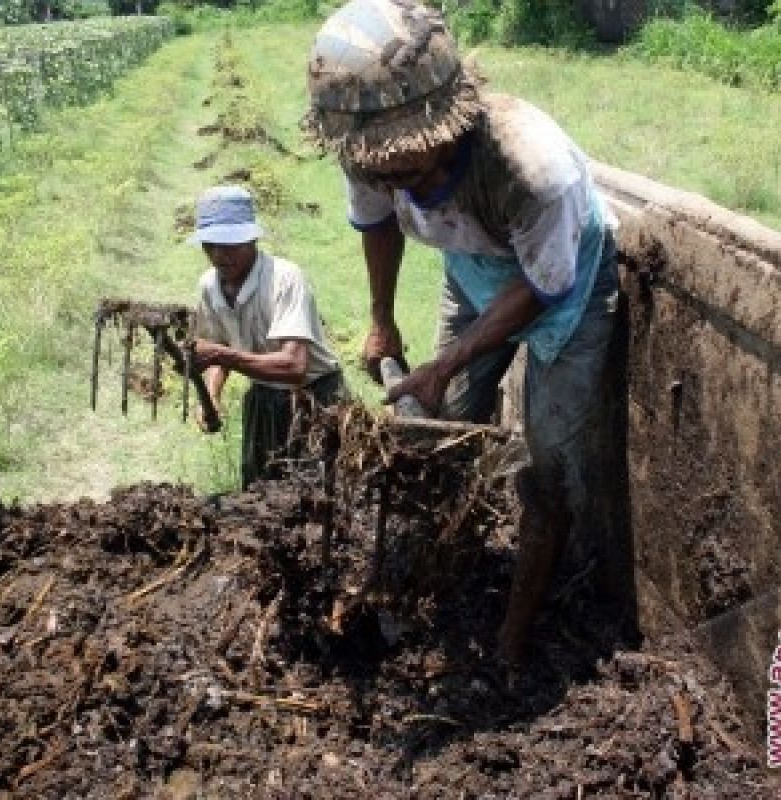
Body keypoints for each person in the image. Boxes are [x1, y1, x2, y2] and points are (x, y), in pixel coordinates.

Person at [303, 0, 635, 663]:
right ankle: (440, 574)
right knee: (445, 431)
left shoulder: (531, 169)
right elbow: (374, 223)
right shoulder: (369, 149)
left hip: (565, 288)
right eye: (383, 174)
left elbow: (544, 287)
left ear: (449, 124)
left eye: (411, 172)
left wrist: (449, 359)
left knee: (545, 465)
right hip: (476, 267)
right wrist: (381, 320)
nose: (396, 184)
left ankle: (513, 638)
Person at [188, 185, 346, 489]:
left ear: (252, 239)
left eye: (231, 244)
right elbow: (216, 348)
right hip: (263, 397)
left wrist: (222, 355)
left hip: (315, 397)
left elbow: (293, 366)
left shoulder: (285, 279)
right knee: (259, 491)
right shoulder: (209, 286)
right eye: (212, 245)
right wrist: (212, 396)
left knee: (315, 492)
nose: (221, 255)